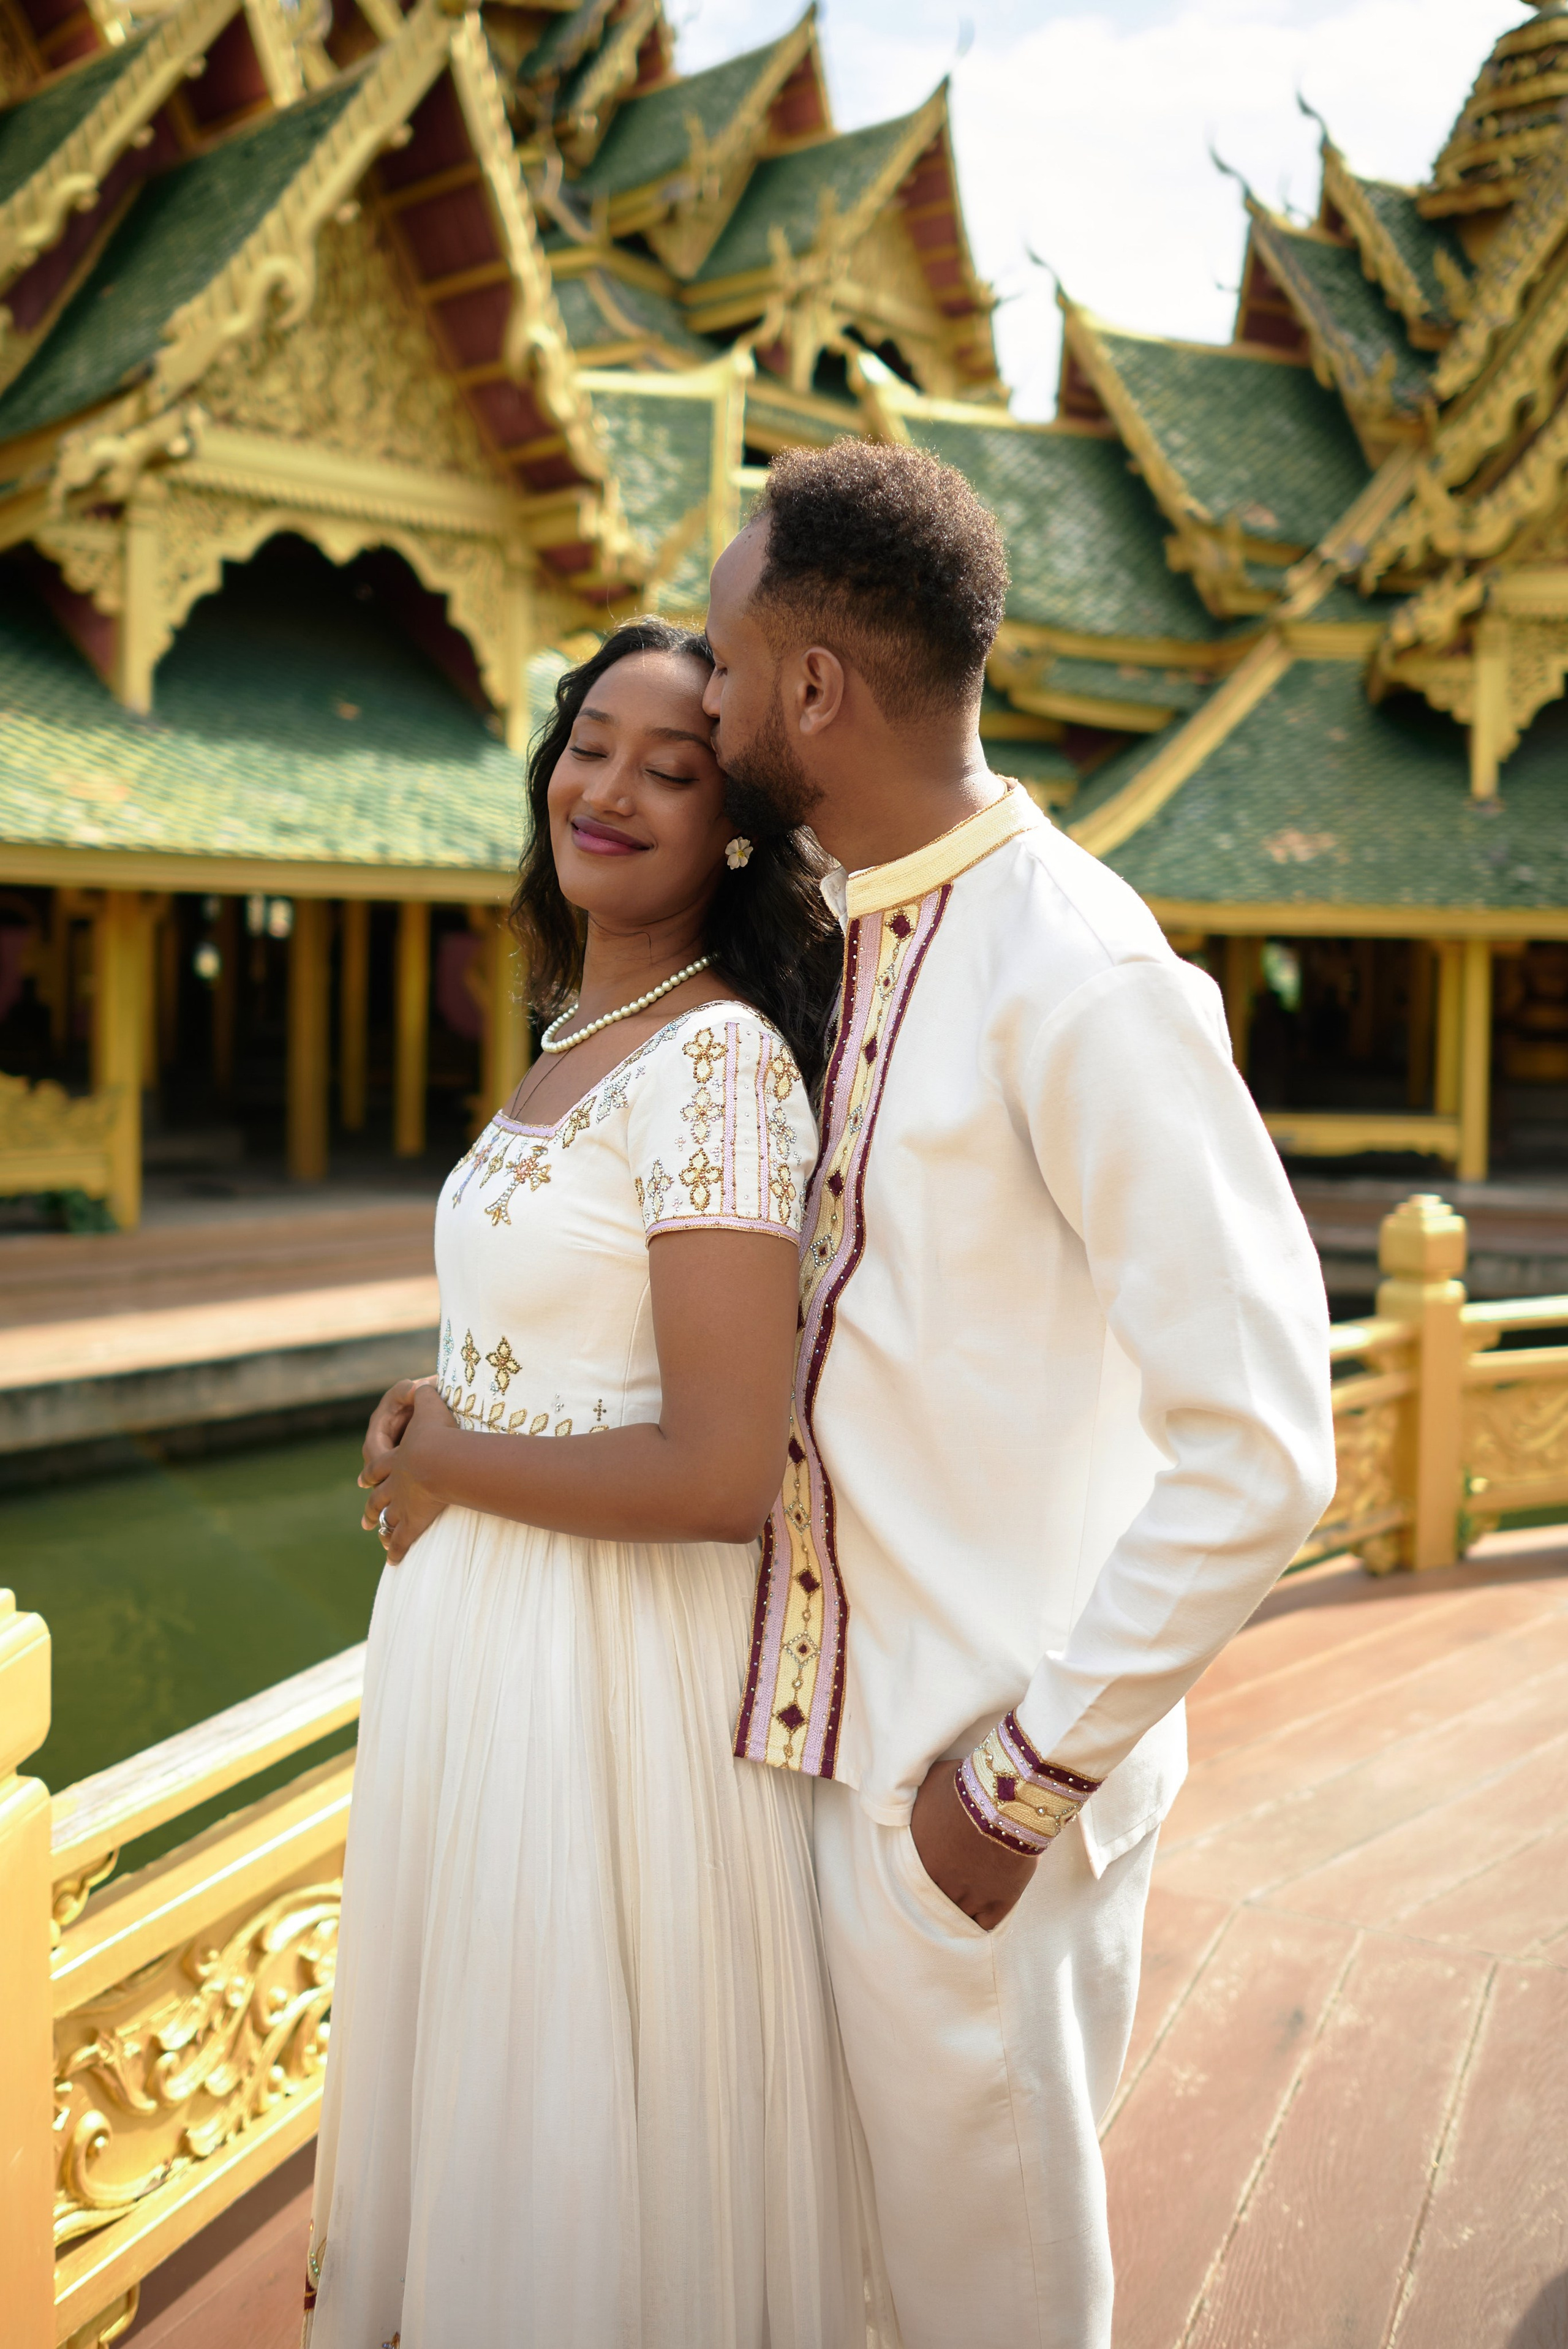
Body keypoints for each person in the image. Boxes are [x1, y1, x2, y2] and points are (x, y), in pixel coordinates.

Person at [702, 443, 1336, 2349]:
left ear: (815, 689)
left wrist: (1023, 1773)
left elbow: (1265, 1438)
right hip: (823, 1764)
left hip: (967, 1800)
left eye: (728, 667)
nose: (709, 698)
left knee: (992, 2315)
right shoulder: (856, 935)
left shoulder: (1081, 973)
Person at [302, 619, 890, 2348]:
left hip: (608, 1666)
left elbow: (720, 1465)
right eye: (590, 741)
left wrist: (450, 1455)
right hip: (484, 1632)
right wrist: (450, 1392)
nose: (611, 786)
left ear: (735, 827)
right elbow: (567, 1328)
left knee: (580, 2107)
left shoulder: (712, 1061)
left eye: (673, 763)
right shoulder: (584, 1019)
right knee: (490, 2062)